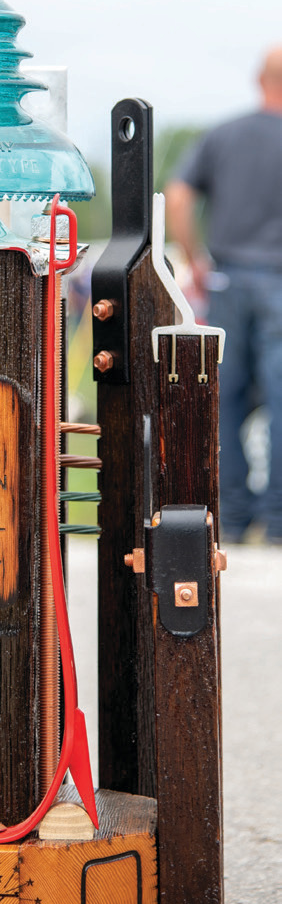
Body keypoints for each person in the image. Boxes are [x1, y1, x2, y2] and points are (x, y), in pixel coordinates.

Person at [165, 47, 282, 544]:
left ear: (260, 79)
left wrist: (194, 258)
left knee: (225, 400)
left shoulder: (224, 134)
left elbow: (177, 194)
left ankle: (231, 519)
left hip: (229, 279)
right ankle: (278, 521)